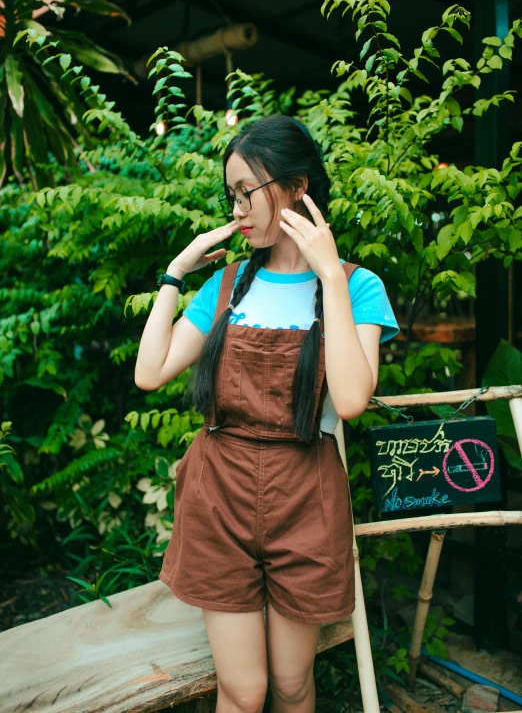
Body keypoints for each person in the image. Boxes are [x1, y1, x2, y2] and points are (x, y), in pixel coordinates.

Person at [135, 114, 400, 713]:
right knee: (245, 690)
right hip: (219, 495)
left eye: (246, 192)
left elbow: (354, 400)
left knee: (291, 684)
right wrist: (176, 273)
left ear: (297, 187)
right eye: (230, 195)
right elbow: (149, 372)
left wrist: (329, 273)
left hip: (306, 495)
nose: (237, 210)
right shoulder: (228, 285)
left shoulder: (357, 287)